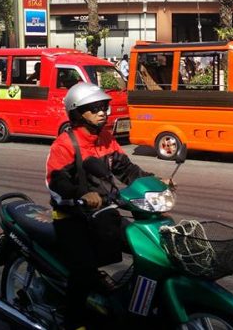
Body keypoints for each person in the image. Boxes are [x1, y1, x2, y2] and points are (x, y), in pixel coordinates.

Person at [46, 83, 163, 330]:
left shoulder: (106, 139)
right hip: (72, 217)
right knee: (84, 270)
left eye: (103, 107)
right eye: (94, 108)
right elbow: (56, 181)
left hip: (103, 213)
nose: (102, 112)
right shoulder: (65, 144)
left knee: (148, 249)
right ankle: (73, 323)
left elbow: (127, 169)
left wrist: (155, 182)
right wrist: (81, 193)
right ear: (78, 113)